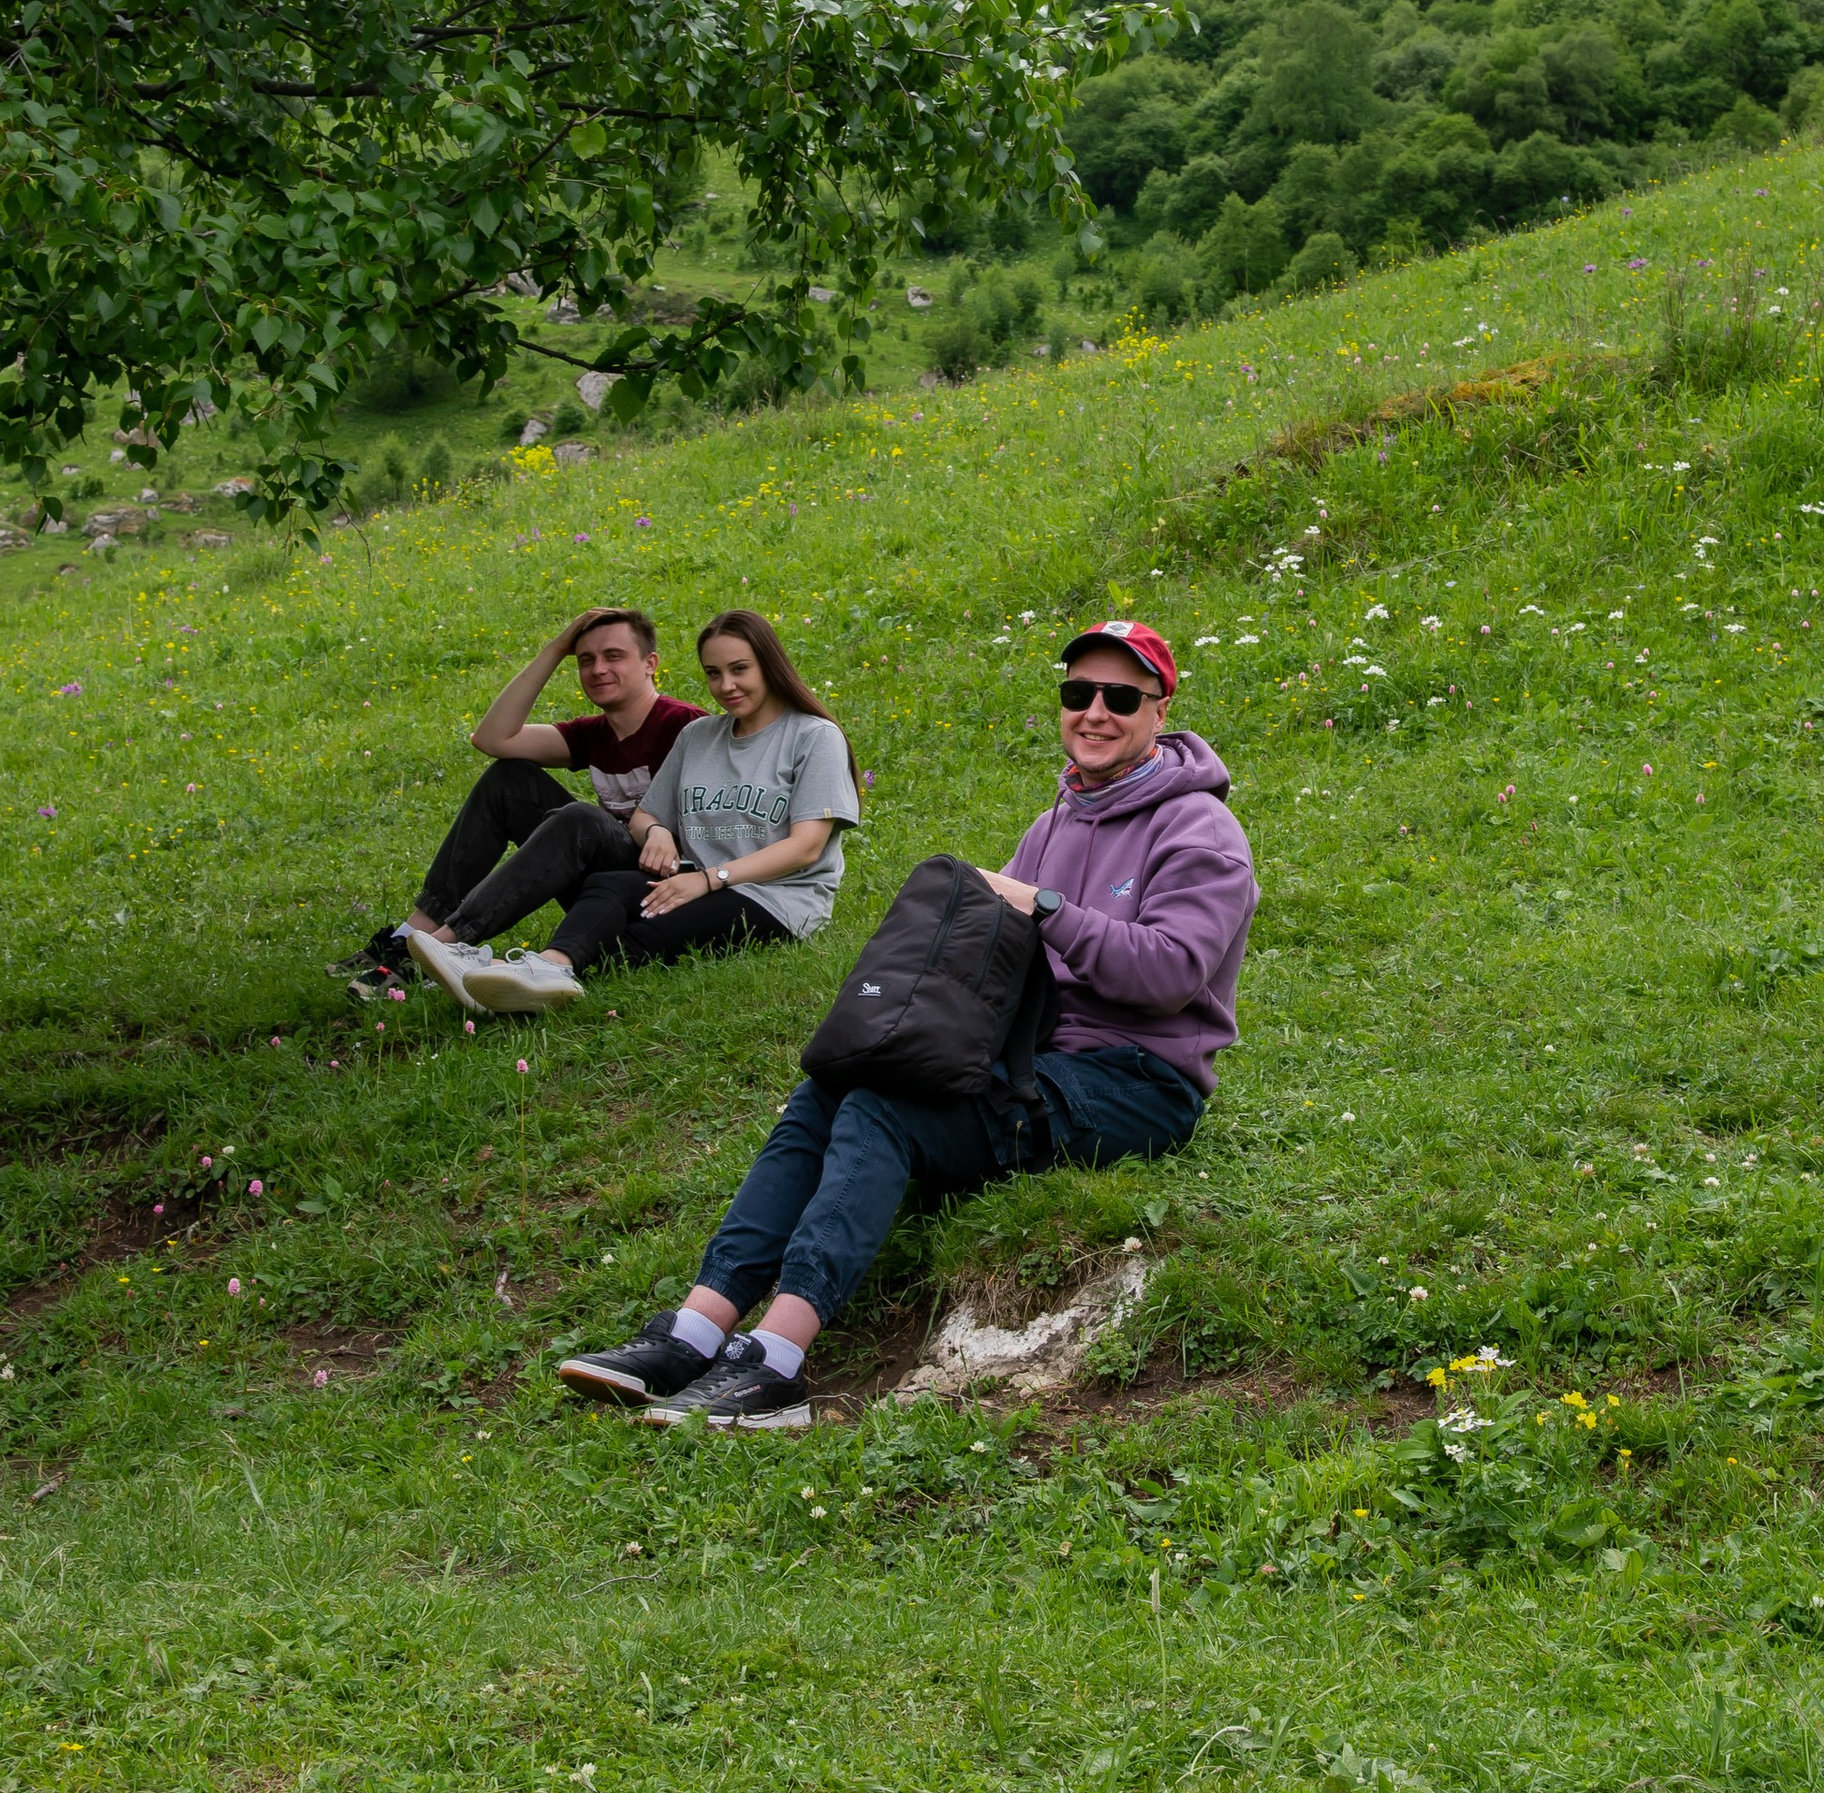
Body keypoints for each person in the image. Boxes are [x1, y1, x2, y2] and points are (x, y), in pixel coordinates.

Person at [556, 619, 1254, 1430]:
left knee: (884, 1110)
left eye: (1120, 697)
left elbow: (1169, 975)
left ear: (1160, 708)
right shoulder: (1054, 820)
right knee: (833, 1083)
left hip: (1137, 1081)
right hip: (1033, 1058)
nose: (1094, 711)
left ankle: (776, 1364)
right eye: (1077, 693)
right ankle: (695, 1330)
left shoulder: (1203, 831)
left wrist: (1051, 910)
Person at [430, 607, 862, 1014]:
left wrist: (709, 880)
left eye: (739, 669)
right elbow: (644, 816)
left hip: (773, 899)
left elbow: (806, 849)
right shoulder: (699, 736)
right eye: (713, 673)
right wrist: (656, 832)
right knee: (609, 896)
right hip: (690, 881)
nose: (726, 685)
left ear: (769, 664)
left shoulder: (813, 736)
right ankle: (518, 970)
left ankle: (545, 967)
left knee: (619, 918)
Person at [331, 606, 697, 1007]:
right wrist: (557, 648)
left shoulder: (686, 726)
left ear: (650, 664)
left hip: (664, 893)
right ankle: (409, 938)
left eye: (614, 656)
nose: (597, 670)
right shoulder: (594, 734)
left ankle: (445, 947)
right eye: (585, 660)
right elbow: (492, 739)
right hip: (602, 887)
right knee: (508, 780)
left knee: (582, 820)